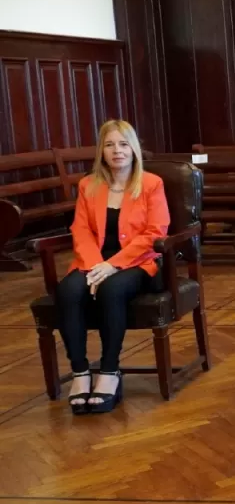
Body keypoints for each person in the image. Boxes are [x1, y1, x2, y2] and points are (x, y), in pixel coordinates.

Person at [57, 120, 169, 414]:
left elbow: (155, 233)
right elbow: (80, 229)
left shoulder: (151, 184)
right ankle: (80, 372)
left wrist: (112, 266)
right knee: (68, 290)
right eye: (109, 145)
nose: (117, 150)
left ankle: (109, 371)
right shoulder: (88, 185)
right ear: (101, 151)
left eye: (123, 144)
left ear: (133, 148)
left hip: (137, 262)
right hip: (93, 260)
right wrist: (97, 265)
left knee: (112, 289)